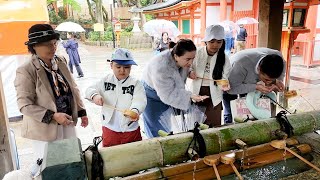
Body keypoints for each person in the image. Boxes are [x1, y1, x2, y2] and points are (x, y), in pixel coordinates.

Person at [14, 24, 88, 172]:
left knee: (71, 161)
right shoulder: (26, 70)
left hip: (67, 121)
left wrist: (82, 112)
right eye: (47, 44)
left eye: (54, 43)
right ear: (34, 46)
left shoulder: (61, 61)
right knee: (51, 168)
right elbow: (24, 105)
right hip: (45, 128)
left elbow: (73, 88)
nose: (52, 47)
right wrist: (53, 116)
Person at [142, 39, 209, 138]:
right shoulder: (161, 67)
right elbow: (168, 94)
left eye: (193, 58)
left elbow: (184, 67)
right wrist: (190, 96)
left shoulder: (180, 59)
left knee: (168, 125)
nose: (191, 62)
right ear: (176, 56)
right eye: (188, 59)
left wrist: (190, 72)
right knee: (157, 129)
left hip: (167, 92)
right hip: (152, 95)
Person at [85, 48, 147, 147]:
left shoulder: (136, 83)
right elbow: (89, 89)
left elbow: (140, 100)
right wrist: (95, 96)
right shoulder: (106, 80)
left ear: (131, 67)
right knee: (109, 155)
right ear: (111, 65)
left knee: (133, 154)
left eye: (126, 67)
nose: (122, 70)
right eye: (118, 67)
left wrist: (135, 111)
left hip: (130, 129)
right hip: (109, 128)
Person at [223, 47, 286, 123]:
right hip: (229, 82)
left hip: (247, 78)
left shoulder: (277, 57)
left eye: (272, 80)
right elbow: (231, 89)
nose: (268, 83)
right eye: (266, 80)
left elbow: (283, 62)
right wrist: (256, 87)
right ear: (259, 69)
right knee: (231, 112)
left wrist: (278, 80)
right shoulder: (239, 64)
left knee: (247, 111)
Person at [189, 25, 231, 127]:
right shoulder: (197, 53)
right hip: (197, 93)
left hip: (215, 95)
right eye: (212, 41)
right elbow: (186, 67)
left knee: (213, 125)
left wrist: (225, 85)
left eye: (219, 42)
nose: (215, 45)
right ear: (206, 41)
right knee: (197, 124)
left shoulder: (224, 58)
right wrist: (190, 72)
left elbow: (225, 77)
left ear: (222, 42)